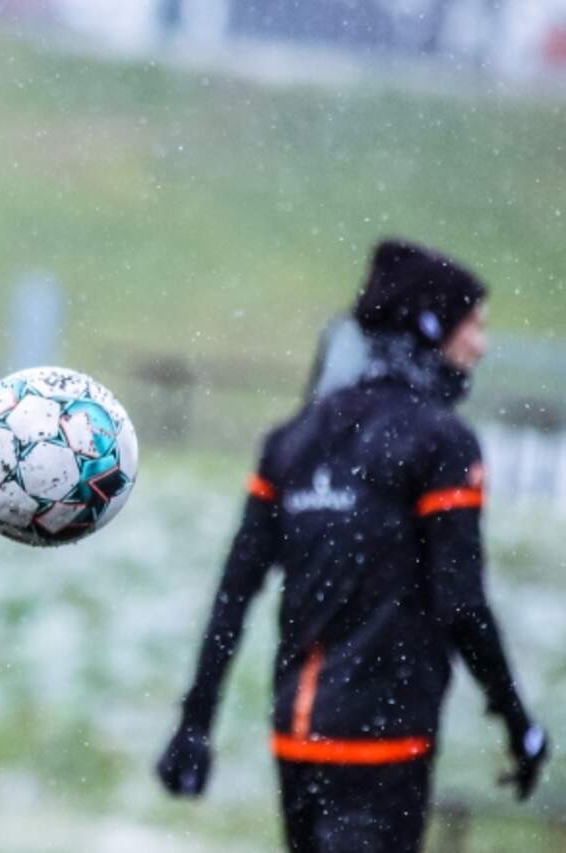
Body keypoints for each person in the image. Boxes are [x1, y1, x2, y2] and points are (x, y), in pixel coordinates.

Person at [155, 239, 550, 852]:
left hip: (297, 740)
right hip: (384, 745)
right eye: (473, 324)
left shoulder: (292, 440)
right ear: (429, 326)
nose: (481, 345)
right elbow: (462, 604)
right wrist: (517, 721)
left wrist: (195, 721)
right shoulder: (442, 442)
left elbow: (235, 592)